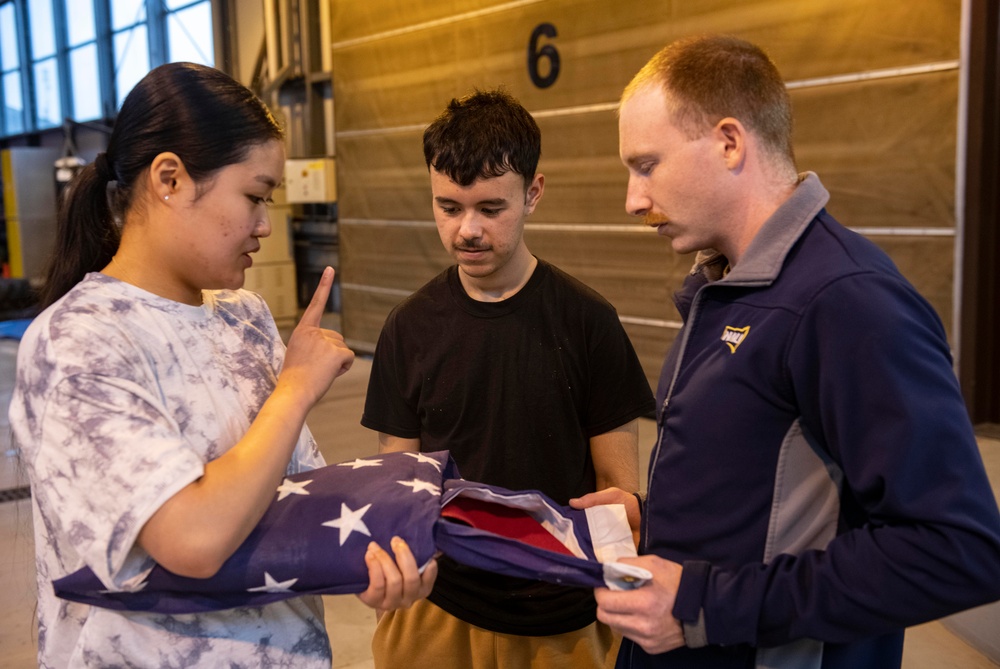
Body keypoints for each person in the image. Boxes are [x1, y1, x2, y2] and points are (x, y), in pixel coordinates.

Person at [570, 34, 1000, 668]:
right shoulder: (727, 287)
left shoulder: (847, 300)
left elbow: (955, 550)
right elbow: (764, 489)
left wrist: (705, 603)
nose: (633, 199)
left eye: (646, 164)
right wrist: (653, 518)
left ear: (729, 142)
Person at [8, 62, 435, 668]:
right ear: (170, 179)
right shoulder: (76, 342)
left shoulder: (244, 317)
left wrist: (371, 561)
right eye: (254, 196)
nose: (264, 224)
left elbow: (299, 501)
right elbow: (194, 540)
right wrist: (294, 388)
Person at [361, 88, 656, 668]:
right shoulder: (409, 328)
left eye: (490, 208)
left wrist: (624, 607)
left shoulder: (588, 322)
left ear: (534, 193)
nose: (467, 229)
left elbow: (614, 495)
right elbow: (401, 486)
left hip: (564, 619)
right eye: (448, 207)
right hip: (439, 611)